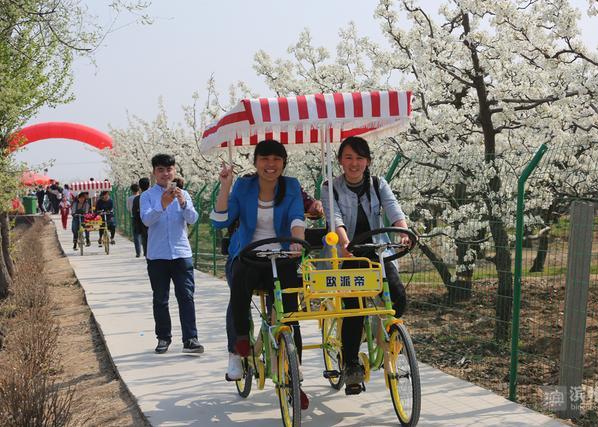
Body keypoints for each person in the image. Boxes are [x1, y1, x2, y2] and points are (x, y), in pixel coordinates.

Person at [211, 139, 310, 409]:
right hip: (248, 253)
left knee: (290, 310)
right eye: (265, 159)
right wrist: (225, 185)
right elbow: (220, 220)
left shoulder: (290, 185)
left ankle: (296, 369)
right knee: (240, 287)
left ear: (283, 163)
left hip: (281, 256)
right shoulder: (244, 185)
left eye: (276, 159)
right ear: (255, 163)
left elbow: (297, 218)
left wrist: (296, 244)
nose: (271, 164)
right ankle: (239, 343)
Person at [321, 136, 411, 394]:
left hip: (377, 250)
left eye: (360, 158)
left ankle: (388, 339)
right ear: (340, 161)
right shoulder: (330, 187)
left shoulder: (377, 183)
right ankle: (350, 364)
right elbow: (334, 216)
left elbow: (394, 210)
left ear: (368, 161)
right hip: (347, 254)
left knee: (398, 297)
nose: (354, 163)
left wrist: (403, 232)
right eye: (348, 157)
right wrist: (344, 242)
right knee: (354, 309)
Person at [140, 154, 203, 354]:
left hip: (181, 253)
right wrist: (163, 204)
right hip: (157, 255)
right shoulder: (147, 196)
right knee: (160, 298)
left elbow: (193, 219)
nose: (165, 174)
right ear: (154, 172)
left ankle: (191, 339)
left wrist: (183, 203)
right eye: (160, 170)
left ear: (175, 171)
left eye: (169, 169)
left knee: (186, 296)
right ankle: (163, 338)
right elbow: (146, 220)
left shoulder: (183, 194)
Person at [132, 178, 150, 257]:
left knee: (145, 240)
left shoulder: (137, 199)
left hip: (141, 223)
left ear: (140, 187)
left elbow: (134, 213)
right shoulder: (153, 196)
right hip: (153, 223)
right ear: (149, 185)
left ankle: (147, 254)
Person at [127, 183, 143, 257]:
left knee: (136, 235)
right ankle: (146, 251)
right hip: (143, 217)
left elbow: (128, 208)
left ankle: (138, 252)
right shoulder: (142, 197)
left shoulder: (130, 198)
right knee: (145, 234)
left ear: (131, 190)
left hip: (134, 217)